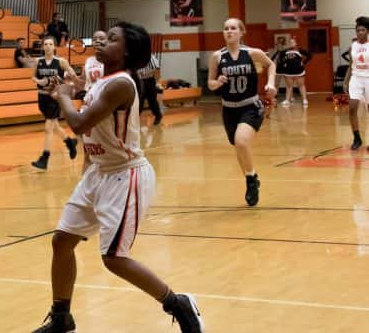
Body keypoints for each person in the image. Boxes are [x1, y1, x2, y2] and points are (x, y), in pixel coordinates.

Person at [31, 22, 205, 333]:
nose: (101, 42)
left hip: (125, 176)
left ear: (126, 52)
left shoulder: (122, 84)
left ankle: (178, 303)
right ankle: (61, 318)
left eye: (112, 40)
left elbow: (80, 124)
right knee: (61, 241)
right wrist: (68, 89)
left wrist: (64, 97)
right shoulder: (103, 79)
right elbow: (83, 101)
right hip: (99, 172)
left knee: (113, 258)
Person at [207, 18, 276, 206]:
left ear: (241, 32)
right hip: (229, 109)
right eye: (226, 28)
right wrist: (218, 82)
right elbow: (210, 83)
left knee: (241, 140)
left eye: (233, 28)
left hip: (250, 106)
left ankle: (250, 181)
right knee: (238, 145)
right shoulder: (217, 57)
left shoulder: (253, 53)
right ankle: (251, 175)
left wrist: (270, 83)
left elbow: (271, 65)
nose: (229, 31)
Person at [31, 36, 79, 170]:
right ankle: (70, 142)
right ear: (42, 47)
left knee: (48, 128)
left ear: (54, 47)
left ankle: (44, 158)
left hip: (55, 98)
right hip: (42, 98)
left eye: (50, 44)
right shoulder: (38, 61)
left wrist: (67, 85)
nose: (47, 46)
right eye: (45, 44)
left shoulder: (61, 62)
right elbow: (33, 76)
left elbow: (73, 75)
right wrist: (38, 81)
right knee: (55, 127)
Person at [345, 16, 369, 150]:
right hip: (356, 78)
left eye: (363, 30)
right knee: (352, 108)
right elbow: (350, 65)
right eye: (358, 30)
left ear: (367, 31)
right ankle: (357, 138)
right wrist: (345, 81)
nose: (360, 32)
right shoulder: (352, 46)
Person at [279, 36, 311, 108]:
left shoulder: (299, 50)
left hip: (298, 71)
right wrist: (283, 63)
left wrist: (304, 62)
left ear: (296, 43)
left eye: (293, 42)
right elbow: (280, 57)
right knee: (289, 86)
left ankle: (304, 99)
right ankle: (287, 100)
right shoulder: (285, 51)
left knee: (301, 85)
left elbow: (309, 55)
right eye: (290, 42)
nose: (291, 43)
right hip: (288, 72)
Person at [137, 52, 163, 125]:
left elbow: (156, 69)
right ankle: (135, 119)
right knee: (139, 101)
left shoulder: (150, 57)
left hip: (149, 80)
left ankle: (158, 115)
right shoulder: (137, 57)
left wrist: (146, 74)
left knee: (152, 100)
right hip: (140, 81)